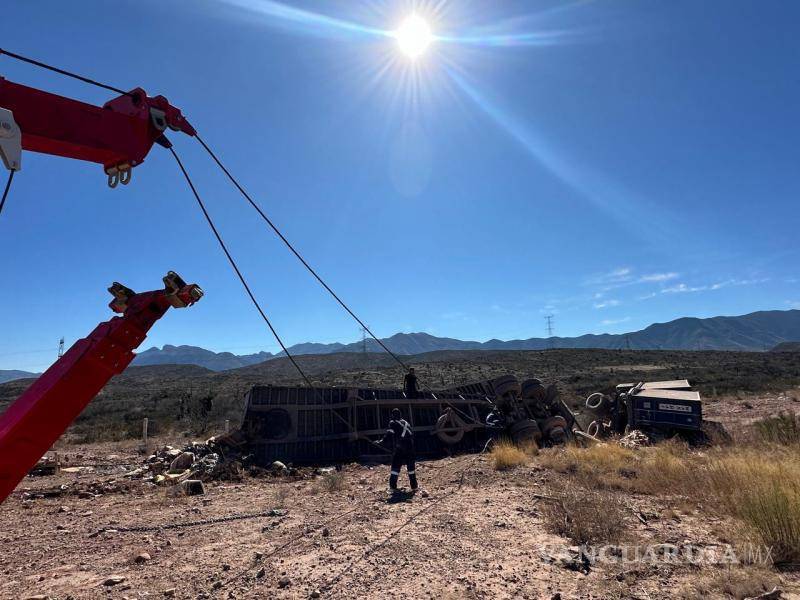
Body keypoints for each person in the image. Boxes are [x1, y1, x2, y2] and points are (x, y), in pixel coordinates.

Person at [378, 408, 417, 493]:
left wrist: (381, 442)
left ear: (392, 415)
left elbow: (389, 434)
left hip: (400, 448)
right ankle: (414, 487)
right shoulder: (407, 423)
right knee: (411, 468)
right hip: (410, 448)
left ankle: (393, 487)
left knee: (395, 467)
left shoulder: (393, 422)